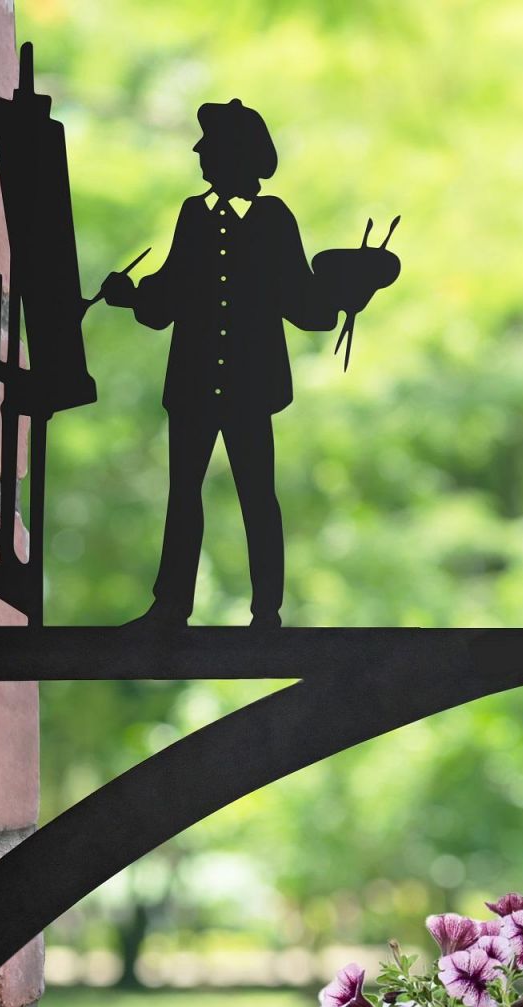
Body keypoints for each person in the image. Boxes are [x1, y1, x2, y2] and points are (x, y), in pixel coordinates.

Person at [99, 99, 339, 628]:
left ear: (234, 154)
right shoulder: (193, 216)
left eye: (208, 143)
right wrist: (131, 294)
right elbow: (168, 297)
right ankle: (171, 605)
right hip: (192, 384)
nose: (199, 151)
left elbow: (302, 302)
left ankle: (267, 612)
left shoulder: (275, 220)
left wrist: (343, 295)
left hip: (251, 388)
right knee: (183, 492)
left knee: (257, 493)